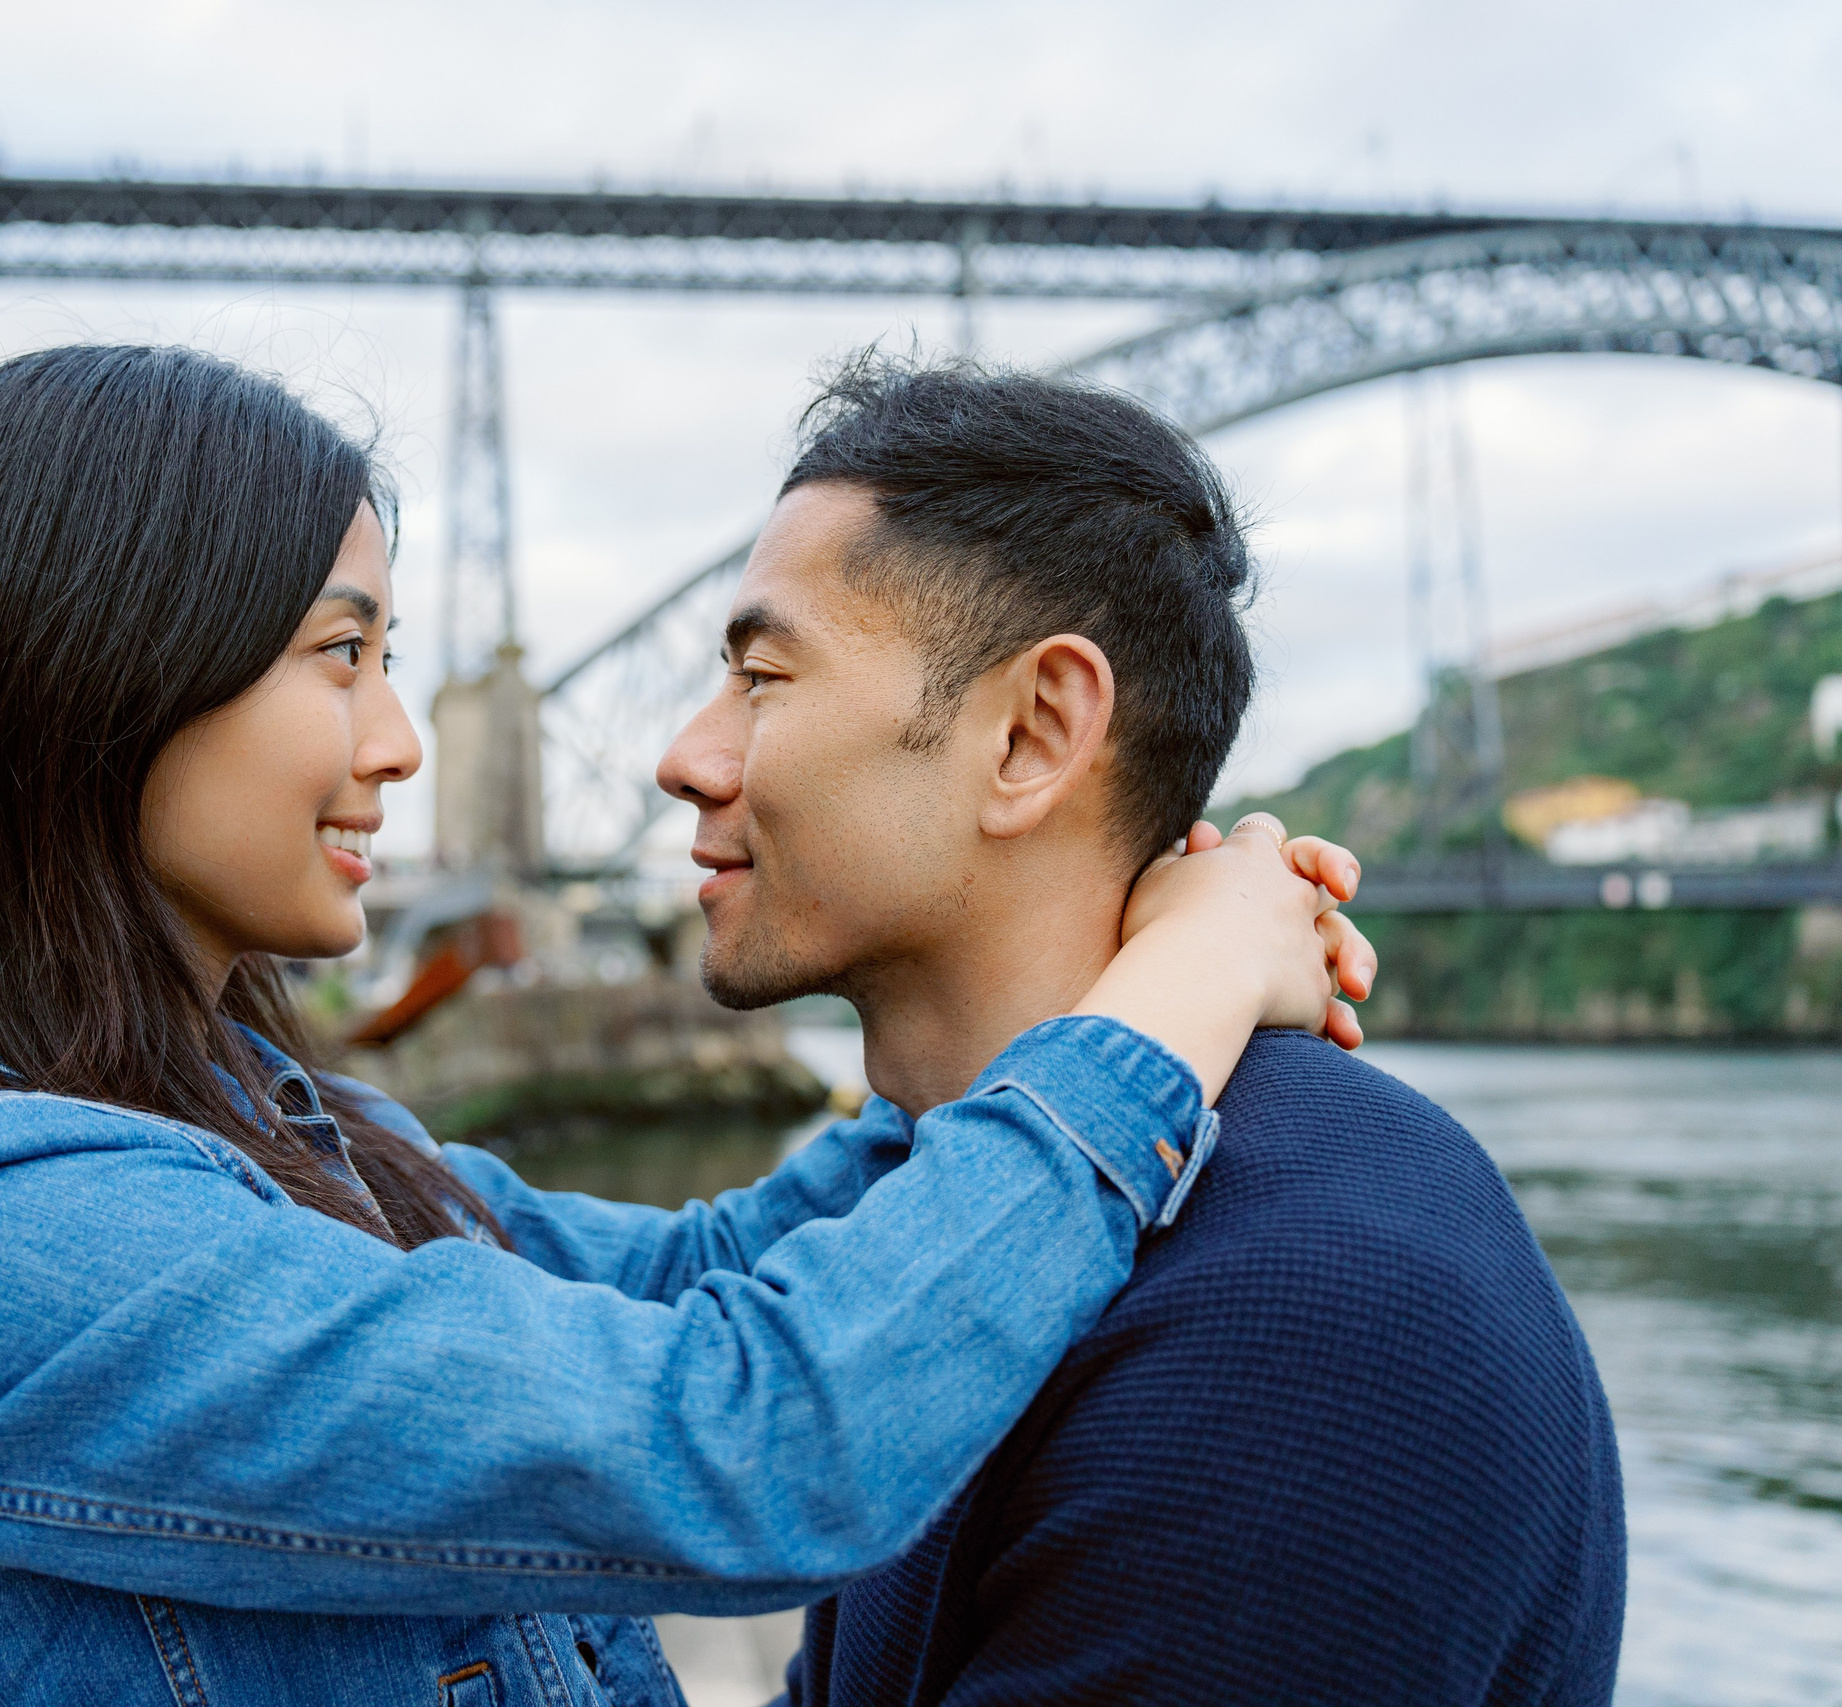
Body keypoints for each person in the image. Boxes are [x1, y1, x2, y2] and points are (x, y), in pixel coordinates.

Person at [0, 343, 1374, 1707]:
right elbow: (749, 1440)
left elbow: (700, 1286)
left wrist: (1052, 989)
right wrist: (1174, 1003)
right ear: (93, 666)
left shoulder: (283, 1131)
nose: (398, 742)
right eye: (342, 655)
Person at [647, 355, 1626, 1707]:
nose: (686, 755)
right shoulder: (947, 1241)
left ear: (1035, 732)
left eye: (763, 677)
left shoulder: (1309, 1332)